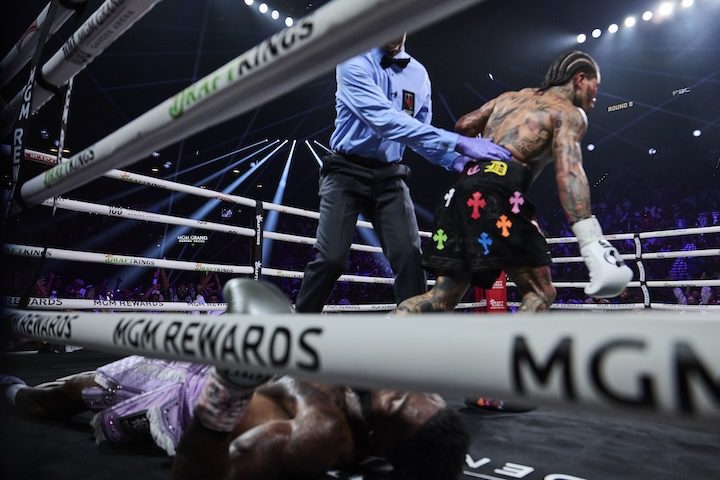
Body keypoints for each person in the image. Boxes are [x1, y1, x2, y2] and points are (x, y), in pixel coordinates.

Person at [1, 280, 469, 479]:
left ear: (379, 441)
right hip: (226, 355)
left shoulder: (315, 436)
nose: (398, 387)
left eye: (398, 403)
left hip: (183, 398)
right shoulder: (380, 388)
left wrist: (231, 384)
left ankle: (11, 392)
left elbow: (202, 476)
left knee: (60, 398)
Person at [395, 50, 632, 316]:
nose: (596, 96)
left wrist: (487, 142)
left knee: (440, 298)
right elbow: (570, 171)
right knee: (541, 293)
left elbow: (464, 125)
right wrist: (590, 239)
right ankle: (508, 356)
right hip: (497, 193)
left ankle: (383, 337)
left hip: (459, 192)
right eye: (595, 86)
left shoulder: (509, 98)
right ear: (580, 78)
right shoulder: (568, 113)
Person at [295, 33, 511, 312]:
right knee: (331, 259)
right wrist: (459, 142)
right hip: (345, 172)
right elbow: (385, 120)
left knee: (410, 255)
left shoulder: (418, 74)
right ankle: (297, 324)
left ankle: (416, 339)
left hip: (390, 177)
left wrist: (457, 161)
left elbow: (419, 136)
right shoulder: (352, 62)